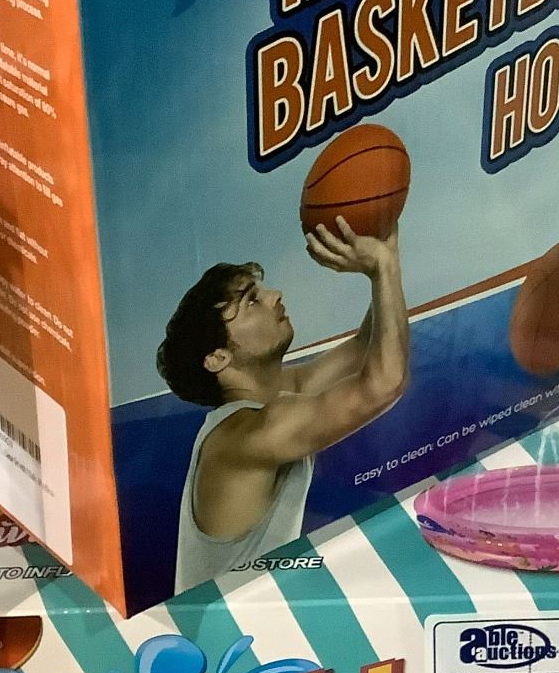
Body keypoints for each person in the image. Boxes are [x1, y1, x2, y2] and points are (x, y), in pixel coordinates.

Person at [157, 219, 409, 590]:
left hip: (253, 611)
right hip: (227, 624)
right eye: (251, 301)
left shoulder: (273, 397)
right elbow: (384, 384)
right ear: (217, 358)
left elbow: (363, 348)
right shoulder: (245, 436)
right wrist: (383, 269)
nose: (275, 295)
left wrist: (385, 251)